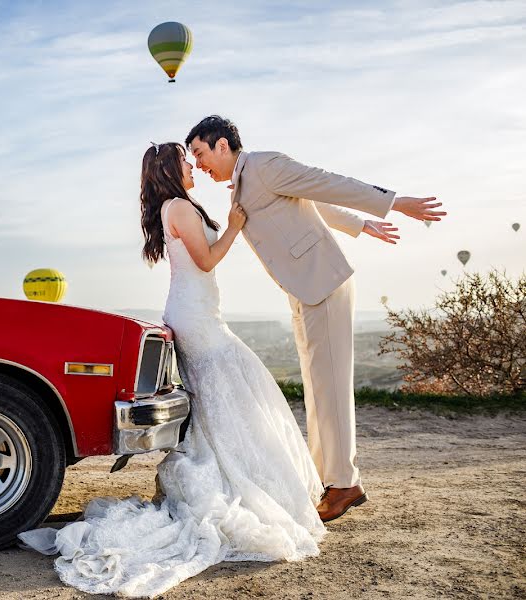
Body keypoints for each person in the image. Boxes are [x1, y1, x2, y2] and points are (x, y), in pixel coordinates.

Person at [18, 142, 327, 598]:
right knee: (235, 384)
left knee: (221, 396)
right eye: (186, 160)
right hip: (197, 318)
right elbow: (206, 261)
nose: (192, 166)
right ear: (170, 168)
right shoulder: (178, 206)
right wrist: (236, 227)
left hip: (196, 310)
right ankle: (239, 477)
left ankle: (231, 469)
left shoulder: (173, 206)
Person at [184, 115, 444, 521]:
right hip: (305, 290)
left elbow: (323, 182)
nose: (199, 164)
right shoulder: (244, 181)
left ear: (222, 145)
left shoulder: (265, 165)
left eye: (200, 153)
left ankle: (345, 485)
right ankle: (331, 479)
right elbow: (312, 202)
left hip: (323, 282)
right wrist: (360, 225)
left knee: (333, 387)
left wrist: (393, 201)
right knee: (318, 387)